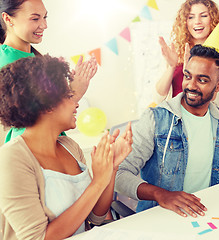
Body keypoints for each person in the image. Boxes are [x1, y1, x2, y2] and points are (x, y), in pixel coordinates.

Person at [115, 45, 219, 218]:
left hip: (203, 212)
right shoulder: (156, 118)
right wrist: (162, 195)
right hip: (160, 216)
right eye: (188, 76)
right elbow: (120, 174)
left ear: (218, 85)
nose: (190, 85)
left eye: (202, 80)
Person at [0, 55, 133, 240]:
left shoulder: (69, 146)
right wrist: (98, 182)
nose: (76, 102)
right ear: (46, 105)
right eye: (69, 96)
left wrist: (110, 168)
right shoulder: (11, 158)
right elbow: (37, 238)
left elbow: (96, 216)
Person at [0, 0, 97, 142]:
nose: (44, 25)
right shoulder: (8, 64)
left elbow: (47, 107)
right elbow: (36, 122)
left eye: (44, 17)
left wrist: (68, 90)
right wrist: (75, 93)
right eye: (35, 18)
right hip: (33, 149)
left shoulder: (30, 57)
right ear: (8, 19)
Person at [155, 0, 219, 106]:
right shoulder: (176, 49)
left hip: (202, 118)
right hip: (173, 118)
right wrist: (171, 66)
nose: (197, 21)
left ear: (213, 19)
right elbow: (159, 97)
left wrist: (193, 71)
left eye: (203, 16)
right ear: (185, 22)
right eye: (191, 17)